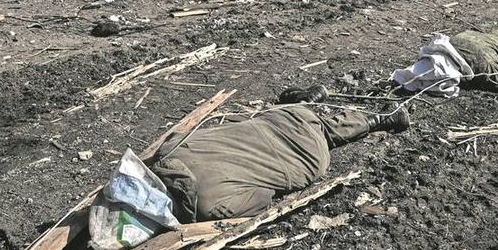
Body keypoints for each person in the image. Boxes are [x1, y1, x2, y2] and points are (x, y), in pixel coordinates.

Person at [150, 92, 409, 222]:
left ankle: (379, 120)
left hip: (307, 157)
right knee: (258, 122)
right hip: (283, 115)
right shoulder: (168, 151)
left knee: (325, 137)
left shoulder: (210, 206)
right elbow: (217, 126)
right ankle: (306, 100)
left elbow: (264, 197)